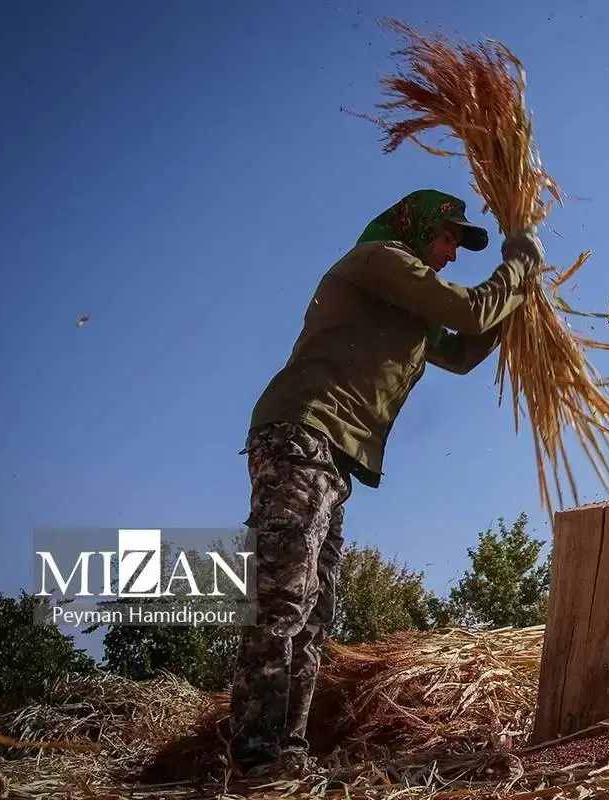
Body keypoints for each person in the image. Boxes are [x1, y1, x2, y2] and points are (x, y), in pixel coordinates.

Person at [227, 189, 544, 778]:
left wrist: (522, 301)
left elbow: (465, 349)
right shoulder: (381, 258)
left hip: (335, 455)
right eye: (448, 237)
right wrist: (519, 264)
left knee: (315, 611)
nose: (451, 253)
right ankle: (253, 758)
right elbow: (473, 310)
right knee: (282, 598)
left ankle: (288, 754)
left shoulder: (408, 302)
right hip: (301, 436)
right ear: (418, 226)